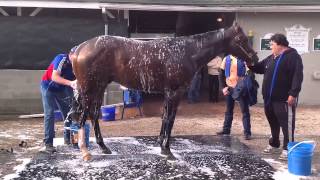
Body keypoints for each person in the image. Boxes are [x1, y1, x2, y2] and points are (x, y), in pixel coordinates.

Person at [248, 33, 303, 160]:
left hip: (284, 99)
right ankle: (274, 144)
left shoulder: (293, 57)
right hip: (269, 99)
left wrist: (293, 94)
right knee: (273, 122)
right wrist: (249, 62)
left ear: (280, 44)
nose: (270, 47)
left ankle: (287, 148)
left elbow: (297, 76)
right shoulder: (272, 57)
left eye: (272, 44)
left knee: (287, 125)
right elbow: (259, 68)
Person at [40, 47, 78, 152]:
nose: (77, 59)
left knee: (70, 113)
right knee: (49, 114)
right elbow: (54, 77)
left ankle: (69, 140)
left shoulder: (77, 64)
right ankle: (48, 143)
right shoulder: (61, 58)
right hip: (48, 86)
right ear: (70, 55)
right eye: (75, 57)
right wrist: (71, 83)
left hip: (62, 88)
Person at [217, 54, 252, 140]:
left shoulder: (244, 59)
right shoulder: (227, 59)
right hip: (229, 88)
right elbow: (221, 74)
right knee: (229, 110)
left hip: (240, 88)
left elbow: (249, 73)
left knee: (245, 110)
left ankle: (247, 132)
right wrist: (223, 87)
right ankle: (226, 130)